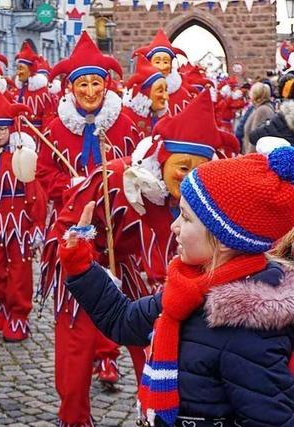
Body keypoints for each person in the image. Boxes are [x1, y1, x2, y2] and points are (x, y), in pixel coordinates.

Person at [60, 145, 294, 427]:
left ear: (221, 237)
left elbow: (270, 419)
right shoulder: (188, 289)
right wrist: (81, 265)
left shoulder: (248, 329)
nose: (174, 227)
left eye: (185, 218)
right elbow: (123, 320)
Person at [55, 90, 228, 390]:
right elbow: (70, 225)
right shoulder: (119, 178)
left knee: (160, 358)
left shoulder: (215, 203)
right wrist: (83, 249)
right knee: (85, 338)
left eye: (198, 171)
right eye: (183, 168)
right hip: (109, 268)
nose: (189, 179)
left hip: (175, 293)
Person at [36, 31, 141, 427]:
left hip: (119, 237)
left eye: (97, 83)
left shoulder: (126, 123)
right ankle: (74, 414)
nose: (91, 90)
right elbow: (46, 174)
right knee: (75, 327)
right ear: (72, 88)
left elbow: (140, 174)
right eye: (84, 84)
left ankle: (155, 399)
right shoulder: (54, 127)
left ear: (107, 84)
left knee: (134, 315)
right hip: (73, 237)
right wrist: (75, 191)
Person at [0, 88, 47, 342]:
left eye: (2, 129)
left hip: (19, 222)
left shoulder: (22, 156)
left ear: (11, 129)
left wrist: (36, 224)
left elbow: (34, 191)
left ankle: (19, 315)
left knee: (19, 270)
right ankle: (5, 306)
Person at [133, 29, 193, 115]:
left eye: (165, 62)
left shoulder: (183, 95)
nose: (161, 66)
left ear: (171, 65)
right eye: (157, 62)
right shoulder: (139, 95)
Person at [13, 41, 57, 140]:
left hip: (36, 136)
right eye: (17, 68)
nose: (18, 72)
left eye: (21, 69)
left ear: (30, 71)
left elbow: (48, 117)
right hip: (18, 136)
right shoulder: (16, 91)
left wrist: (45, 138)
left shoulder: (43, 93)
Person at [122, 55, 170, 137]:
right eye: (160, 91)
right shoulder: (126, 119)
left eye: (166, 90)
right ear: (145, 94)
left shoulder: (165, 117)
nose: (166, 97)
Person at [241, 82, 274, 153]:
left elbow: (255, 138)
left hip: (254, 157)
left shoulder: (262, 111)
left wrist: (249, 158)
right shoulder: (260, 108)